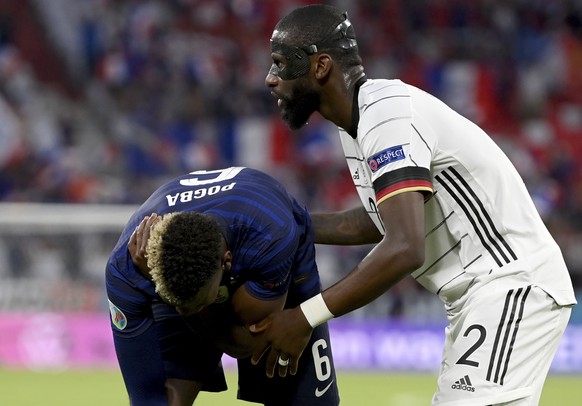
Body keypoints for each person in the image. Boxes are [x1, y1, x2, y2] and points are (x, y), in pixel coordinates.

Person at [250, 4, 578, 405]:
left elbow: (405, 246)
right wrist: (294, 224)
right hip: (480, 296)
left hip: (511, 284)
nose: (271, 79)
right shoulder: (359, 123)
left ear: (319, 66)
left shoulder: (386, 117)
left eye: (282, 64)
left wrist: (304, 317)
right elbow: (383, 220)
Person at [105, 166, 339, 406]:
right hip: (180, 282)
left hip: (266, 262)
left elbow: (247, 343)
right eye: (179, 304)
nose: (188, 310)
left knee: (310, 402)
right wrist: (187, 305)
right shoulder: (125, 272)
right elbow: (145, 396)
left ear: (227, 261)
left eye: (199, 303)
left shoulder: (270, 235)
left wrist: (188, 310)